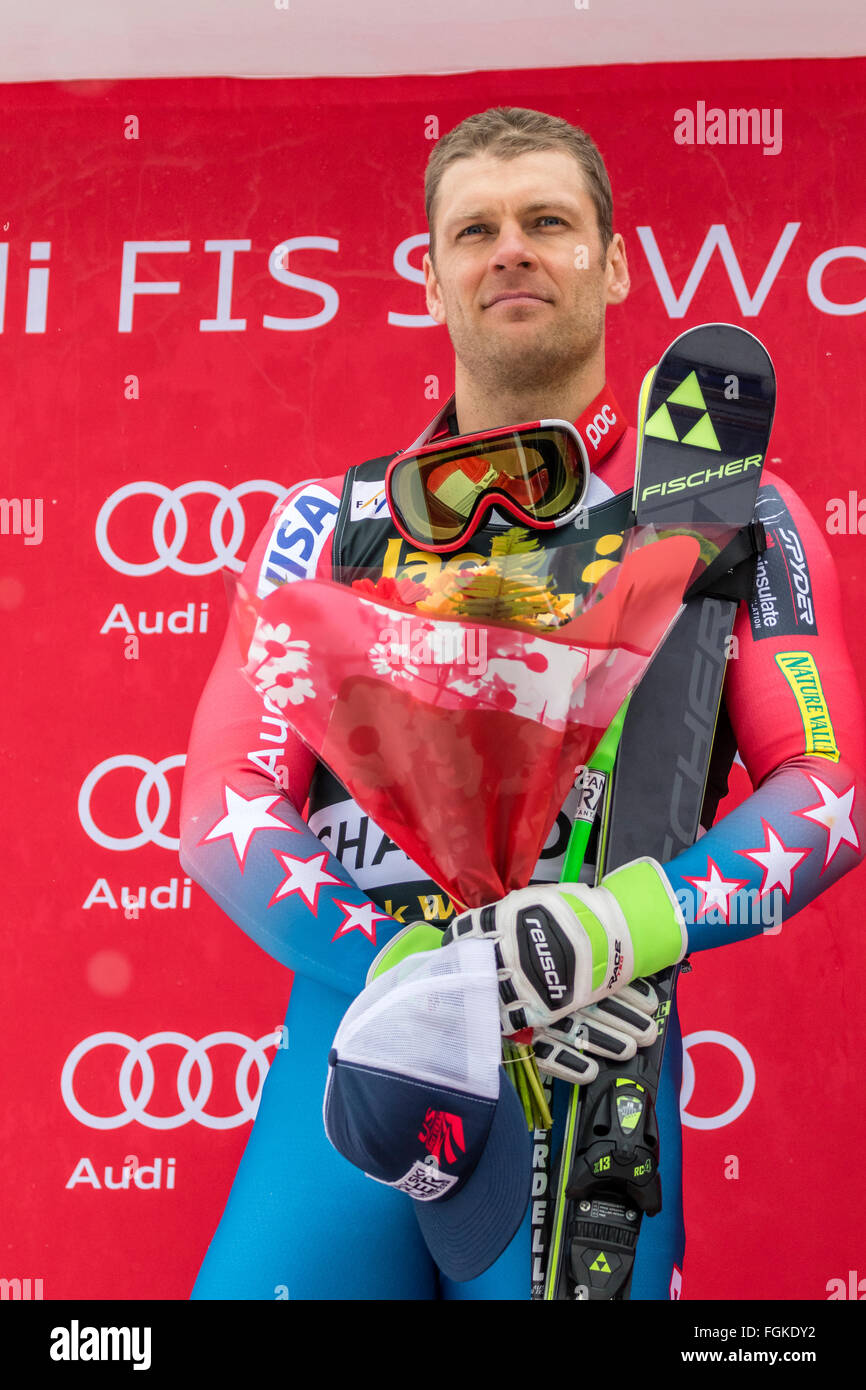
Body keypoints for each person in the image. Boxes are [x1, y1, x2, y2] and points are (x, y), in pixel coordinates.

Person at [179, 106, 865, 1300]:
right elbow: (222, 804)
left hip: (590, 1049)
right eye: (475, 229)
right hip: (356, 1049)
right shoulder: (321, 524)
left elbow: (828, 792)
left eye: (547, 222)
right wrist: (414, 969)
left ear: (609, 263)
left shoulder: (729, 514)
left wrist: (608, 932)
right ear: (432, 276)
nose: (510, 249)